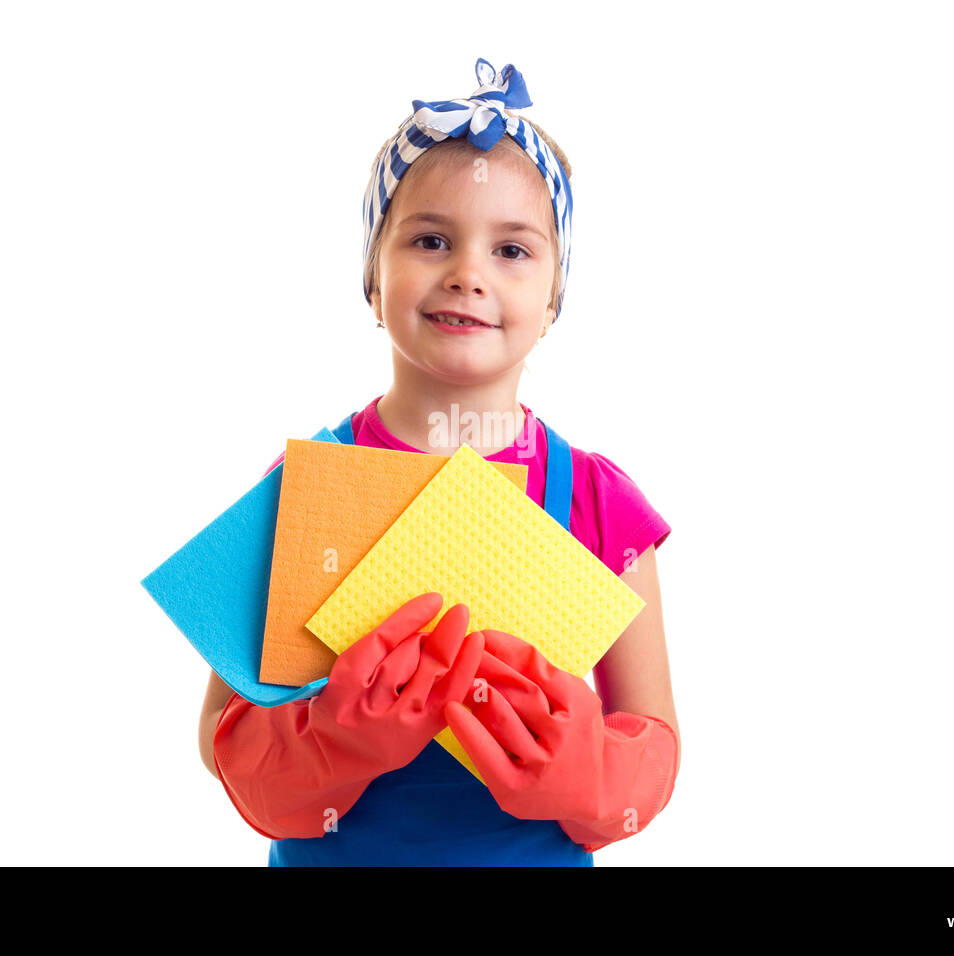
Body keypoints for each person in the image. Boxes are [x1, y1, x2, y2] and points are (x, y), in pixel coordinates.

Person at [199, 58, 681, 866]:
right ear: (372, 275)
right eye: (430, 239)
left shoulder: (600, 502)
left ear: (556, 296)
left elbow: (656, 747)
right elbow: (224, 745)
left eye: (513, 251)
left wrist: (583, 771)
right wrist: (332, 746)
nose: (467, 273)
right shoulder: (305, 492)